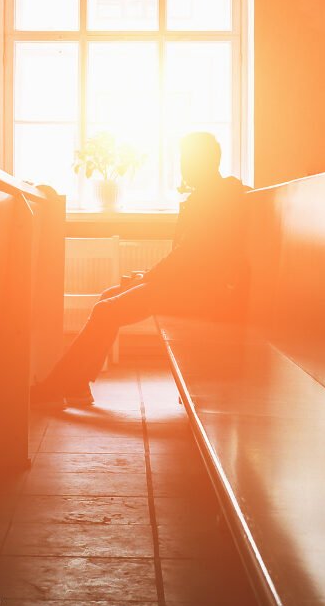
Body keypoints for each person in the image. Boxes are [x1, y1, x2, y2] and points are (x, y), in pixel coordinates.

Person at [32, 131, 250, 406]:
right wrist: (147, 278)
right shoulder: (208, 195)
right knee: (108, 297)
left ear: (207, 161)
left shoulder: (218, 197)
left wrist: (148, 278)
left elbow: (191, 253)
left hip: (204, 293)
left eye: (188, 160)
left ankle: (54, 389)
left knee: (105, 311)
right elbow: (186, 256)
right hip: (188, 285)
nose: (183, 167)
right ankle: (76, 386)